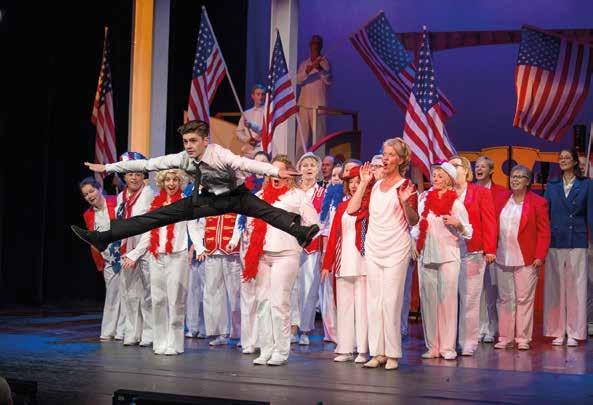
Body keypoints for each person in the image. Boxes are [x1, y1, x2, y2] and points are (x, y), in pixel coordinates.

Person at [72, 120, 320, 254]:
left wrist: (277, 171)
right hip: (207, 199)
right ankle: (103, 237)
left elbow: (245, 163)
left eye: (193, 141)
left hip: (236, 197)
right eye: (185, 141)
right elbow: (149, 162)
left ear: (205, 141)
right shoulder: (182, 158)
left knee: (266, 210)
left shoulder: (219, 154)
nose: (189, 145)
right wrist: (109, 169)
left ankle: (301, 232)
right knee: (155, 217)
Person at [348, 138, 418, 370]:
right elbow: (352, 209)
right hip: (375, 247)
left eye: (390, 154)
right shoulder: (375, 185)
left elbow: (413, 220)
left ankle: (393, 353)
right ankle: (377, 352)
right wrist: (364, 182)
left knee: (391, 301)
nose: (385, 158)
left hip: (396, 248)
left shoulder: (406, 186)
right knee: (374, 301)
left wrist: (407, 204)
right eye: (383, 153)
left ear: (400, 159)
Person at [243, 155, 320, 366]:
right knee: (262, 303)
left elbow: (314, 224)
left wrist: (298, 239)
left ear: (289, 174)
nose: (276, 176)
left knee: (279, 303)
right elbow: (250, 224)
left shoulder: (297, 196)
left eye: (280, 172)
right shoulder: (259, 195)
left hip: (286, 254)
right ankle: (266, 349)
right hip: (262, 255)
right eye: (272, 172)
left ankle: (281, 350)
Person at [131, 169, 199, 355]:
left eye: (175, 180)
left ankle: (175, 343)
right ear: (162, 182)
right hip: (156, 257)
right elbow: (148, 233)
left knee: (175, 300)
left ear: (180, 182)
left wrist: (200, 247)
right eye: (168, 179)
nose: (171, 183)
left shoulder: (185, 204)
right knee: (158, 300)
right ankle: (159, 341)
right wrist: (135, 253)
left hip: (177, 256)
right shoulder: (155, 205)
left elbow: (193, 228)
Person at [413, 162, 472, 361]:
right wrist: (414, 242)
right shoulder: (424, 199)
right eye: (434, 175)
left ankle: (447, 347)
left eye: (440, 175)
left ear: (448, 178)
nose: (436, 178)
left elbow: (469, 231)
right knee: (429, 301)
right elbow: (418, 224)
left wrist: (459, 224)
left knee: (447, 301)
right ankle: (433, 346)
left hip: (448, 255)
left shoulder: (456, 203)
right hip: (427, 254)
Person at [493, 165, 550, 350]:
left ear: (528, 181)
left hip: (526, 258)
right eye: (513, 176)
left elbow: (544, 232)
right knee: (504, 299)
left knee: (524, 299)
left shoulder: (537, 202)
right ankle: (504, 337)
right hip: (502, 256)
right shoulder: (502, 199)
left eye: (519, 177)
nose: (515, 179)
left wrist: (539, 256)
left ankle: (523, 338)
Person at [543, 148, 593, 347]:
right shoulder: (552, 185)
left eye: (566, 158)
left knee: (576, 288)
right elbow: (545, 215)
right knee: (555, 288)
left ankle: (574, 331)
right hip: (555, 241)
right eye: (560, 158)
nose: (563, 160)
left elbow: (590, 214)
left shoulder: (586, 184)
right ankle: (557, 330)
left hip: (577, 240)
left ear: (574, 162)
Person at [449, 156, 497, 356]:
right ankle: (448, 342)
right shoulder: (445, 193)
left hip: (473, 252)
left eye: (455, 166)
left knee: (470, 299)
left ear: (466, 171)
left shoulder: (480, 192)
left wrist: (490, 249)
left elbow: (489, 221)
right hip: (448, 252)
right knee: (450, 300)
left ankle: (468, 342)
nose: (450, 169)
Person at [321, 164, 368, 363]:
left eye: (358, 182)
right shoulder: (341, 206)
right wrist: (327, 263)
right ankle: (346, 347)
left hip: (363, 261)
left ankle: (363, 349)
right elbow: (333, 236)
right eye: (351, 183)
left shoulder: (368, 205)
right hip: (344, 261)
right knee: (345, 306)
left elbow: (355, 211)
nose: (355, 186)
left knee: (362, 307)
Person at [113, 152, 155, 347]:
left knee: (147, 294)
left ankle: (149, 333)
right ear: (124, 176)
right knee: (129, 293)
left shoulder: (149, 195)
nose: (134, 177)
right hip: (125, 251)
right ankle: (131, 332)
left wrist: (136, 253)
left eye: (138, 173)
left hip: (144, 250)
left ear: (143, 175)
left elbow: (151, 228)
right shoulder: (121, 197)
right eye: (130, 174)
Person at [80, 177, 125, 341]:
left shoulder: (115, 201)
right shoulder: (88, 214)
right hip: (108, 259)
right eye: (85, 195)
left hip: (124, 255)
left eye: (91, 191)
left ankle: (122, 331)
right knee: (112, 295)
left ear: (99, 189)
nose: (89, 196)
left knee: (127, 295)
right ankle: (108, 331)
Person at [291, 152, 325, 345]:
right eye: (305, 165)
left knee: (308, 289)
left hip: (312, 246)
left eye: (312, 165)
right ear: (299, 169)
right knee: (292, 287)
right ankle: (291, 328)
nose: (309, 168)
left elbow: (324, 221)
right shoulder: (293, 191)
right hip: (292, 244)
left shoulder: (323, 193)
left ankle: (304, 329)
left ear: (318, 169)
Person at [474, 155, 506, 343]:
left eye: (483, 166)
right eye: (477, 166)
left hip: (493, 247)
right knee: (476, 291)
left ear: (491, 170)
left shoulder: (501, 193)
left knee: (492, 290)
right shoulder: (469, 191)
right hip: (473, 248)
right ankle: (479, 327)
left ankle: (492, 328)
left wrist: (492, 246)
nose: (479, 169)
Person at [201, 212, 242, 347]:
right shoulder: (208, 202)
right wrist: (199, 246)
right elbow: (200, 224)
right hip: (211, 251)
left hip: (232, 253)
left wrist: (234, 241)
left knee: (236, 294)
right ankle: (221, 333)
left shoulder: (236, 200)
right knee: (213, 294)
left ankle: (241, 333)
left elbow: (239, 224)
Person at [296, 35, 331, 156]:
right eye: (313, 44)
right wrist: (308, 69)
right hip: (304, 104)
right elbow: (298, 80)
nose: (314, 46)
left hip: (318, 106)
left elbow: (328, 80)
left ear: (320, 46)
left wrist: (319, 68)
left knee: (319, 137)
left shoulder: (325, 62)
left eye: (317, 44)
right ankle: (299, 163)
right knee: (302, 137)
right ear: (310, 46)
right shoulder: (304, 63)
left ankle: (320, 164)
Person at [236, 84, 266, 158]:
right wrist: (247, 139)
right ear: (253, 96)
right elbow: (239, 131)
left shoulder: (267, 112)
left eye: (263, 94)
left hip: (262, 149)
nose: (261, 97)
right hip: (249, 149)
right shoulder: (246, 113)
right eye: (258, 94)